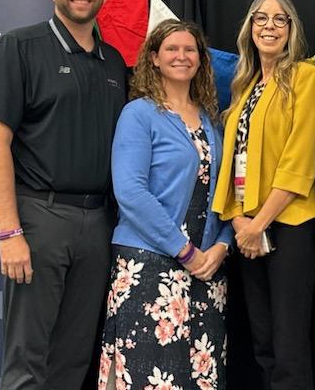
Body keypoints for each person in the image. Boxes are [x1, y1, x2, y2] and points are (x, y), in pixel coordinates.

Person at [0, 0, 128, 388]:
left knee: (74, 358)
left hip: (98, 222)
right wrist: (9, 231)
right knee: (27, 358)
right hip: (40, 218)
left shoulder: (114, 62)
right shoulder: (19, 47)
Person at [98, 19, 231, 389]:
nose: (182, 56)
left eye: (190, 50)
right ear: (154, 58)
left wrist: (222, 246)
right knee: (147, 375)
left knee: (200, 377)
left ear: (201, 60)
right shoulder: (138, 114)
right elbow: (131, 193)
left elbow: (227, 192)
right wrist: (184, 251)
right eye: (172, 49)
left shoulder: (211, 121)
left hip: (207, 271)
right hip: (150, 267)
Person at [212, 0, 315, 390]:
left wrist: (260, 223)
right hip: (247, 230)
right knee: (262, 342)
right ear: (249, 27)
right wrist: (241, 221)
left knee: (289, 342)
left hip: (288, 225)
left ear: (291, 28)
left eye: (279, 19)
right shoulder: (245, 86)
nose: (269, 26)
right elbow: (231, 160)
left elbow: (299, 159)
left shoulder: (304, 77)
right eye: (261, 18)